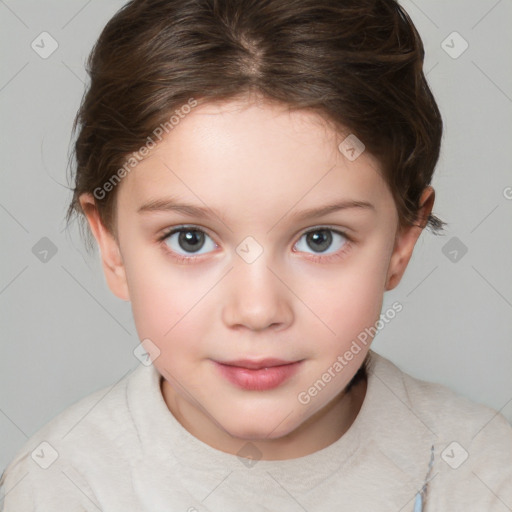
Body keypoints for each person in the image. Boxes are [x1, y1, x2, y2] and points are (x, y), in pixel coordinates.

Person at [1, 0, 511, 510]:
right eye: (190, 239)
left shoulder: (484, 476)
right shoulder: (60, 487)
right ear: (111, 245)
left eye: (320, 239)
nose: (258, 310)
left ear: (403, 239)